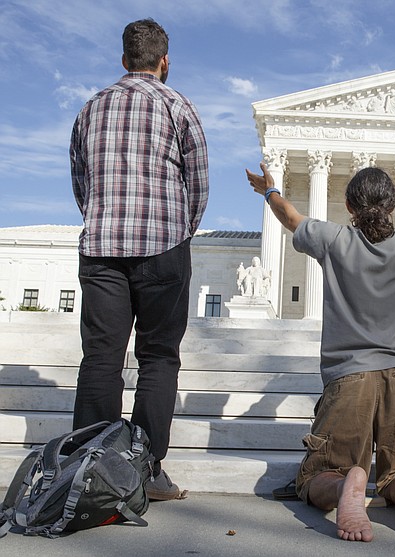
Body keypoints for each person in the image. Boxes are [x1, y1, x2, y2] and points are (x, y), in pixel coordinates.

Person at [246, 162, 395, 541]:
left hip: (349, 378)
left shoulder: (335, 239)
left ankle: (346, 486)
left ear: (348, 205)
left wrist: (269, 190)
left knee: (318, 475)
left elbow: (289, 217)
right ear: (392, 206)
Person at [69, 18, 208, 501]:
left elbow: (80, 178)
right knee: (158, 359)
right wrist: (179, 231)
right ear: (164, 62)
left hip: (103, 247)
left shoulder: (91, 107)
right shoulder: (177, 105)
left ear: (124, 61)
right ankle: (145, 471)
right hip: (164, 247)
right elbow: (198, 180)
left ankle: (88, 469)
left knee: (102, 357)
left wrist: (105, 219)